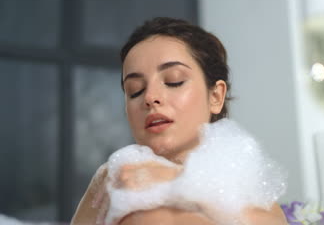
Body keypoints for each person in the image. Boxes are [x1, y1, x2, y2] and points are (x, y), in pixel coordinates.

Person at [71, 17, 287, 225]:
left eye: (174, 81)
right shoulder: (112, 182)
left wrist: (180, 182)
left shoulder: (245, 193)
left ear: (215, 97)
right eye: (135, 91)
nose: (149, 97)